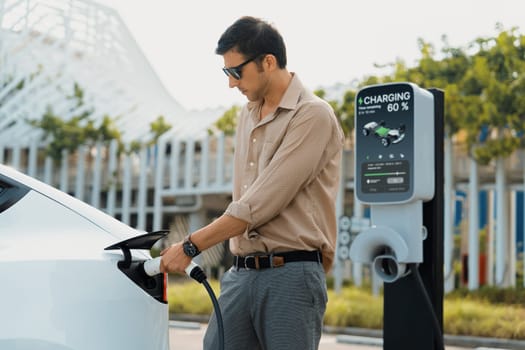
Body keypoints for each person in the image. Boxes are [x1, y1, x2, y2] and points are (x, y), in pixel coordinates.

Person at [160, 16, 345, 350]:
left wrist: (191, 246)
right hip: (241, 273)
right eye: (226, 73)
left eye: (236, 72)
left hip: (291, 273)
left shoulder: (312, 115)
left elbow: (260, 203)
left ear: (268, 62)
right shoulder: (247, 114)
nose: (232, 84)